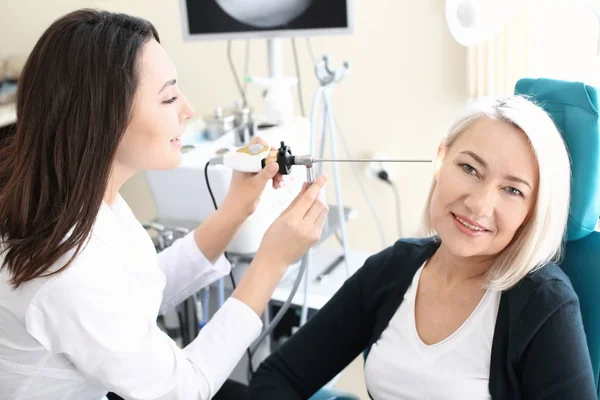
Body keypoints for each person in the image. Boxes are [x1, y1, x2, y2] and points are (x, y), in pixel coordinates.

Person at [0, 9, 329, 400]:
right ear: (105, 116)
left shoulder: (75, 199)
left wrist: (234, 211)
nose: (188, 110)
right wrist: (273, 262)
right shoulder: (65, 268)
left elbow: (135, 292)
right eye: (169, 97)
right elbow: (183, 390)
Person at [248, 96, 597, 399]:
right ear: (440, 160)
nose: (478, 204)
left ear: (533, 211)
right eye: (469, 168)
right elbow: (277, 378)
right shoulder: (392, 269)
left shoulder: (543, 304)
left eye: (512, 190)